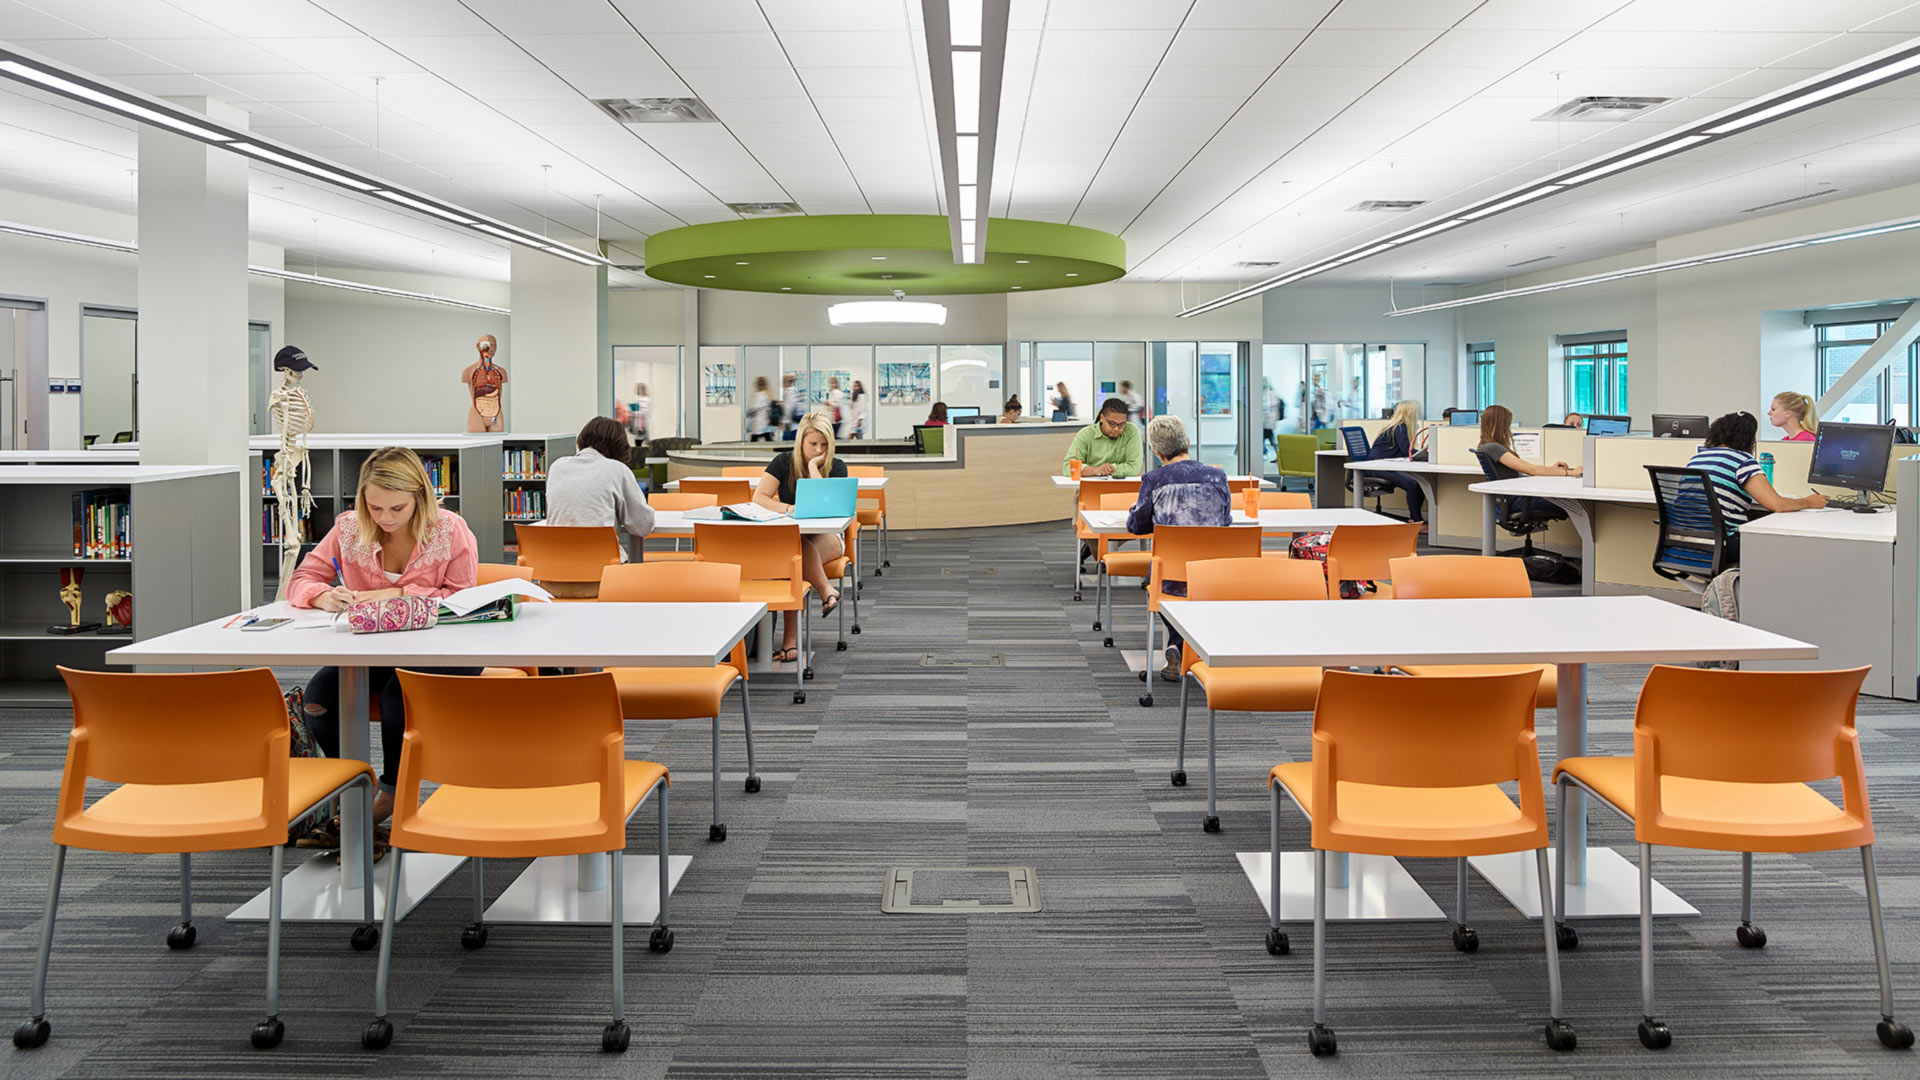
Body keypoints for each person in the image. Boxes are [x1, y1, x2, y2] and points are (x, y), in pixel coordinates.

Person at [287, 447, 481, 826]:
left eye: (397, 509)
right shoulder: (348, 527)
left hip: (446, 650)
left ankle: (392, 793)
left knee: (398, 696)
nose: (385, 518)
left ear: (419, 499)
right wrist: (324, 596)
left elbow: (462, 600)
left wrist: (396, 594)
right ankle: (357, 782)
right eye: (375, 508)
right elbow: (301, 579)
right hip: (375, 647)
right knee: (318, 701)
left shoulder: (450, 529)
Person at [1124, 415, 1231, 682]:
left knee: (1155, 578)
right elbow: (1226, 522)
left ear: (1157, 452)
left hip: (1172, 580)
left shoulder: (1155, 480)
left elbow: (1137, 526)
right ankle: (1189, 648)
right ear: (1188, 443)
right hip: (1216, 575)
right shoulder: (1217, 476)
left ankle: (1179, 646)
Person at [752, 412, 847, 664]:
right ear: (800, 442)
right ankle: (827, 591)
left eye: (824, 444)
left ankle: (790, 642)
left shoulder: (836, 466)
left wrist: (814, 466)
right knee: (792, 557)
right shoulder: (783, 462)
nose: (818, 449)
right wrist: (788, 508)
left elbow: (823, 508)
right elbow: (759, 498)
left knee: (792, 555)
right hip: (793, 538)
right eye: (812, 444)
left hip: (829, 537)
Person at [1687, 411, 1827, 562]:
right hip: (1722, 546)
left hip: (1684, 543)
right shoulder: (1742, 461)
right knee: (1784, 546)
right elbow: (1777, 505)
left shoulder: (1697, 458)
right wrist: (1809, 502)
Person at [545, 416, 655, 576]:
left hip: (554, 575)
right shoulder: (617, 469)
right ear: (619, 445)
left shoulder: (557, 466)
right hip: (603, 576)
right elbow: (643, 526)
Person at [1367, 399, 1427, 529]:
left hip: (1386, 464)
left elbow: (1405, 451)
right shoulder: (1400, 427)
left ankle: (1416, 518)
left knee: (1420, 482)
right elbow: (1407, 450)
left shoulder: (1396, 426)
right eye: (1416, 413)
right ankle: (1416, 521)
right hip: (1376, 466)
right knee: (1412, 484)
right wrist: (1425, 454)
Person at [1062, 397, 1144, 478]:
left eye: (1121, 424)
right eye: (1112, 423)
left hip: (1122, 489)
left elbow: (1134, 468)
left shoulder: (1131, 431)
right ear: (1102, 418)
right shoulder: (1085, 434)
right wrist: (1096, 470)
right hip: (1091, 488)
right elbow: (1068, 467)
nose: (1116, 428)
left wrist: (1108, 469)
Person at [748, 375, 774, 441]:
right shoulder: (768, 395)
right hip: (766, 424)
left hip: (758, 425)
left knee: (752, 444)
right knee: (770, 442)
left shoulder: (756, 396)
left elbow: (752, 410)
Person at [781, 373, 804, 442]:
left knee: (786, 446)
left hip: (790, 424)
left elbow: (788, 408)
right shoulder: (795, 391)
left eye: (783, 381)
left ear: (787, 382)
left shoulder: (788, 393)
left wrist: (784, 421)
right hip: (796, 423)